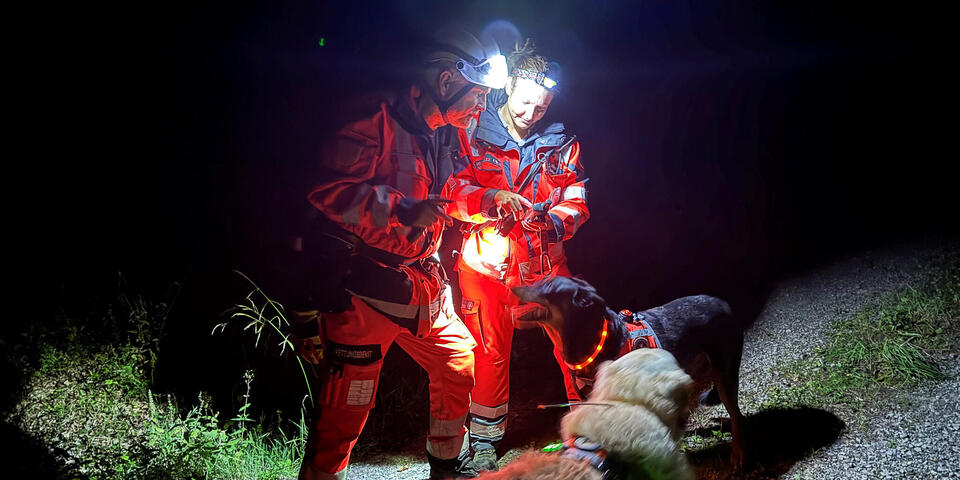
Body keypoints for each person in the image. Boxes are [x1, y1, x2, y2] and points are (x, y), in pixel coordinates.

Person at [290, 28, 508, 480]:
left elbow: (446, 194)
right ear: (447, 82)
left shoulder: (447, 132)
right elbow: (328, 190)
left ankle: (445, 466)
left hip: (421, 282)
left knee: (457, 360)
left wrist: (486, 203)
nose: (482, 107)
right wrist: (401, 209)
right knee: (345, 413)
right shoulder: (373, 117)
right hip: (365, 286)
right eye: (479, 94)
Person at [441, 39, 590, 471]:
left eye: (541, 108)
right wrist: (490, 198)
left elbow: (577, 199)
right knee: (487, 355)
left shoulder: (563, 143)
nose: (530, 114)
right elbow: (448, 191)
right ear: (509, 90)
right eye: (525, 103)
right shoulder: (469, 131)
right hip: (486, 268)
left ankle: (591, 432)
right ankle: (483, 444)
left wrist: (554, 220)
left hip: (545, 267)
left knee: (575, 344)